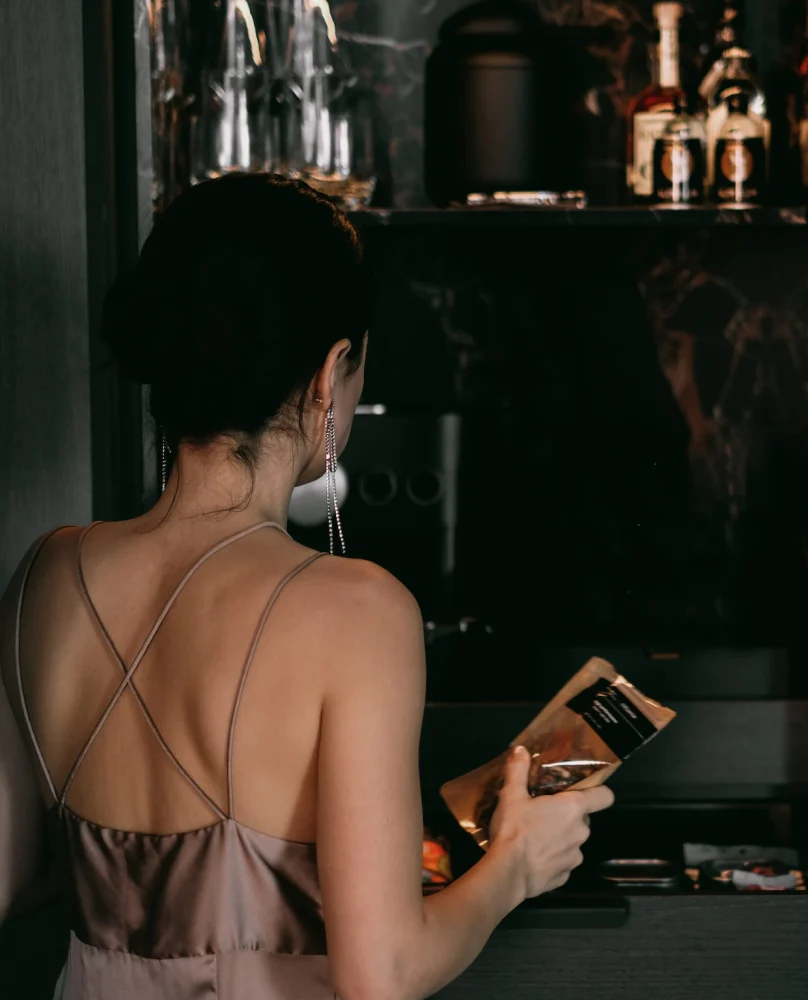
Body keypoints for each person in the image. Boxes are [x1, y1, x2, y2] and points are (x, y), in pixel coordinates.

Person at [0, 173, 613, 1000]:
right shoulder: (358, 611)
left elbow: (11, 876)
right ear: (331, 373)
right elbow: (381, 973)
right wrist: (515, 864)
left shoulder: (45, 573)